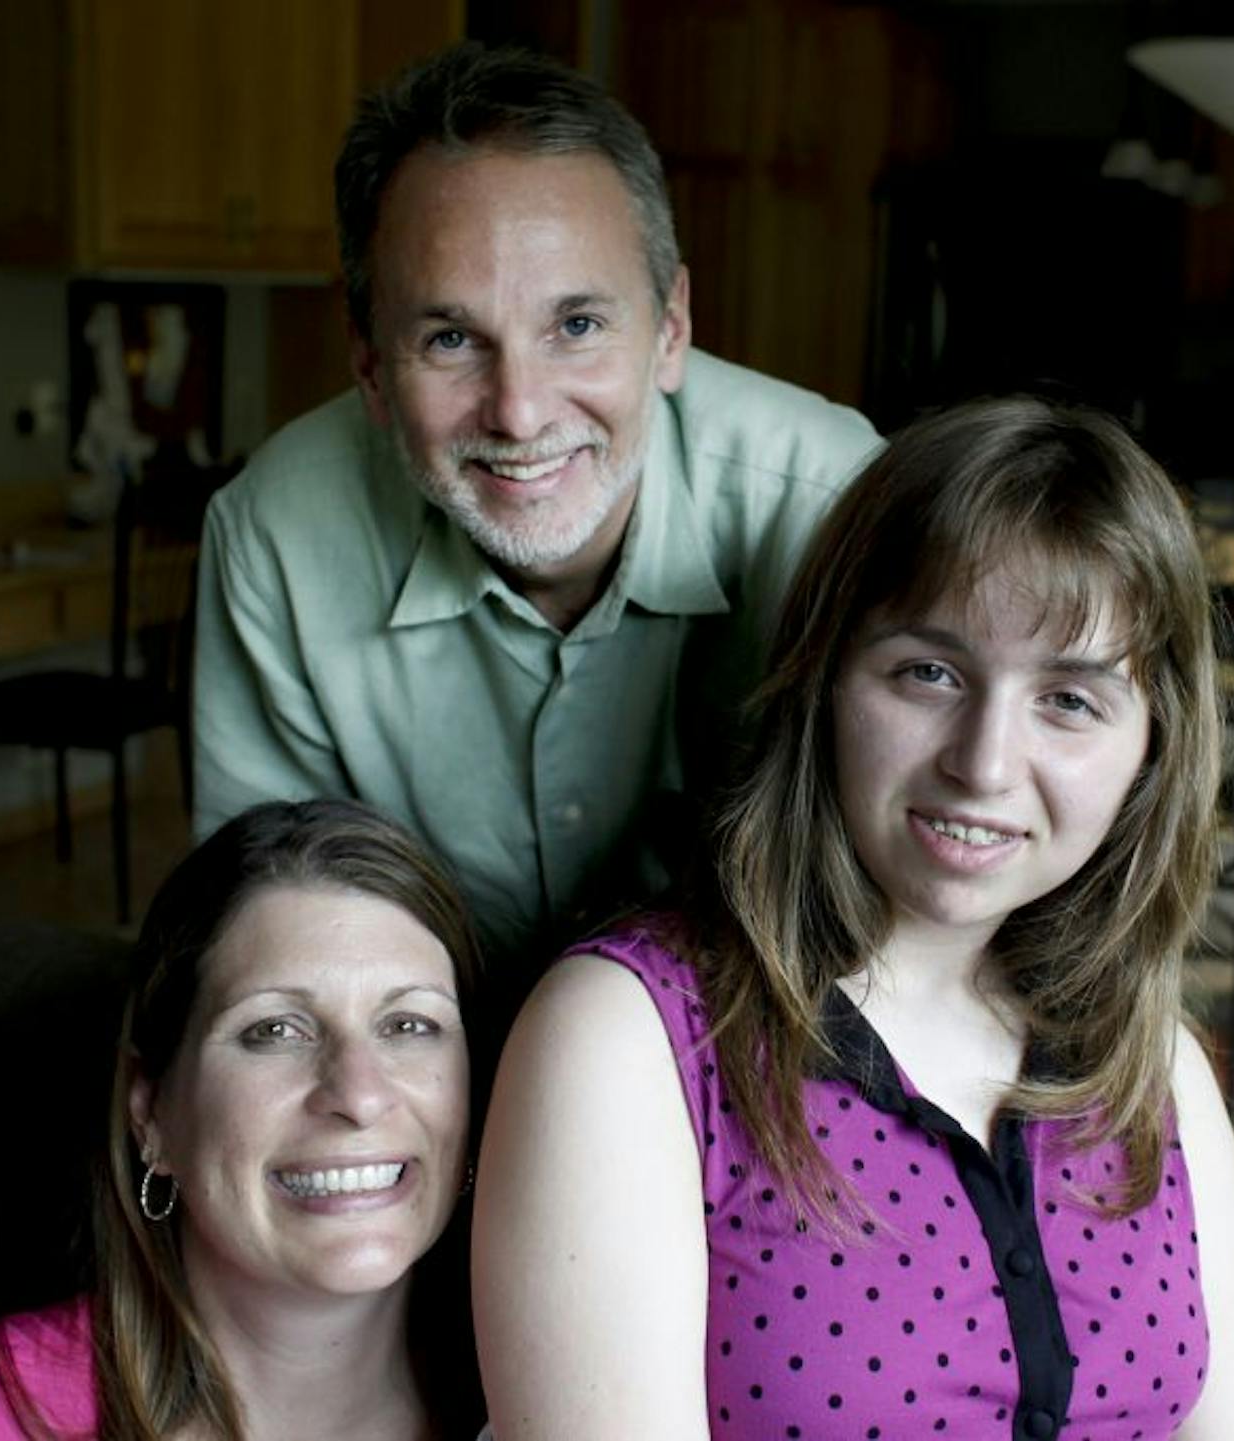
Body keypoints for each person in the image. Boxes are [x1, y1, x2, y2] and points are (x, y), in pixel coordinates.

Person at [471, 396, 1234, 1439]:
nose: (985, 763)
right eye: (931, 673)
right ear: (823, 679)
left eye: (1070, 700)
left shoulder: (1154, 1063)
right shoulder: (631, 1037)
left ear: (1152, 749)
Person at [190, 42, 882, 977]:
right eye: (449, 337)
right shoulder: (275, 532)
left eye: (578, 325)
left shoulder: (839, 504)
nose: (518, 411)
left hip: (756, 1041)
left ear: (671, 327)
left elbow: (911, 909)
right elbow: (269, 923)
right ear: (368, 365)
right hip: (437, 1049)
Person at [0, 799, 489, 1440]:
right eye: (276, 1029)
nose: (360, 1095)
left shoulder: (561, 1404)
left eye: (409, 1023)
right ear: (151, 1110)